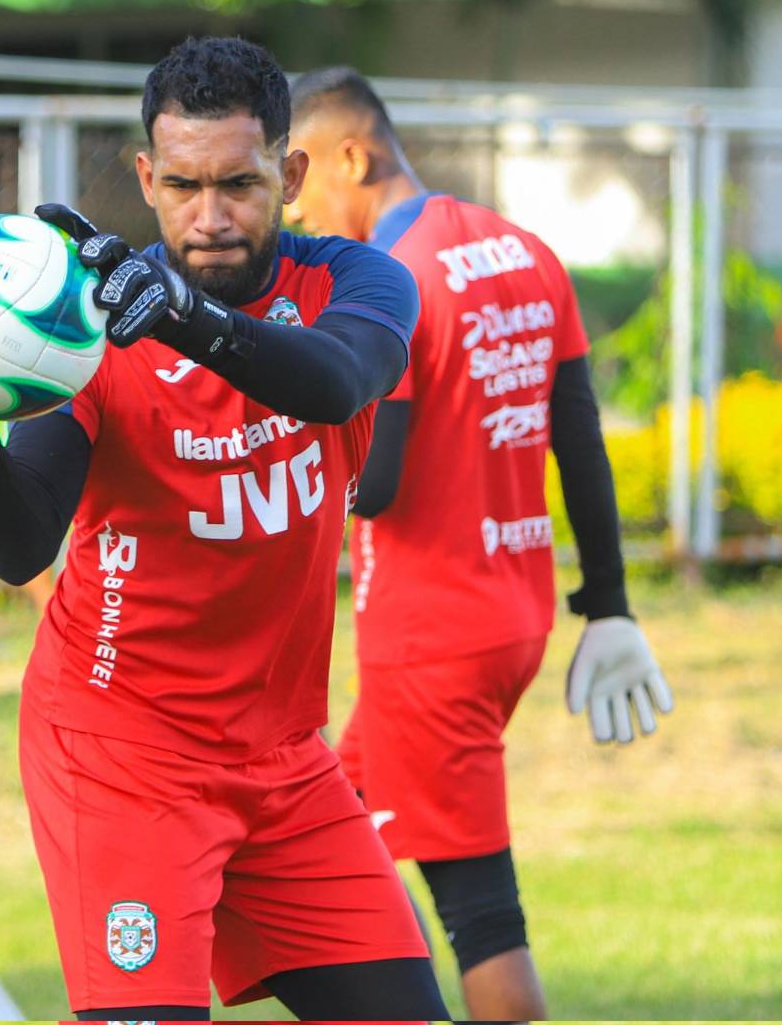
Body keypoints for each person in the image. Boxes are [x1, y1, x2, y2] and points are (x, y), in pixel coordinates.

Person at [0, 38, 450, 1022]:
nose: (211, 215)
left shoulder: (360, 281)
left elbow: (334, 382)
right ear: (147, 177)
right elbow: (21, 544)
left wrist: (189, 320)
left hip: (284, 759)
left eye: (240, 182)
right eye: (183, 184)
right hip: (123, 755)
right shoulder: (86, 330)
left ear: (292, 172)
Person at [286, 67, 674, 1022]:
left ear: (353, 154)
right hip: (508, 616)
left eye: (303, 183)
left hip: (431, 640)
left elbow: (376, 483)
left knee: (479, 916)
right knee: (320, 858)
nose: (300, 217)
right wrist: (609, 603)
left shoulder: (395, 281)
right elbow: (578, 438)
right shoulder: (522, 250)